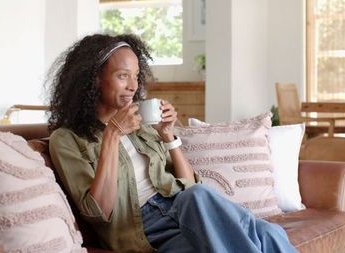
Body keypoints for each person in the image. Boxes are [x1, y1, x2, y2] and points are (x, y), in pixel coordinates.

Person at [47, 33, 297, 253]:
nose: (133, 86)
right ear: (94, 79)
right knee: (221, 212)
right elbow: (100, 212)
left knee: (268, 232)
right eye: (123, 76)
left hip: (186, 209)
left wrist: (168, 137)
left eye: (136, 76)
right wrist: (112, 135)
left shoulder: (141, 125)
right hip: (144, 228)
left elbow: (189, 183)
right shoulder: (67, 139)